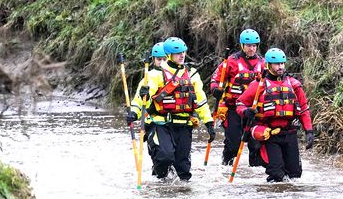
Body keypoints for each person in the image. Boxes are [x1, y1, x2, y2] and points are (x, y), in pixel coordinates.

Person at [126, 37, 215, 181]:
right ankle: (160, 180)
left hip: (184, 125)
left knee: (183, 170)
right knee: (165, 157)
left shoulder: (192, 74)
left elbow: (200, 101)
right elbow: (140, 99)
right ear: (168, 55)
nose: (182, 55)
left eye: (183, 52)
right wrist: (134, 113)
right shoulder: (155, 74)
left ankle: (181, 197)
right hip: (162, 124)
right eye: (177, 53)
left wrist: (209, 122)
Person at [235, 48, 315, 182]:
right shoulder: (258, 85)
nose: (280, 67)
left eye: (282, 63)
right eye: (277, 64)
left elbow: (303, 110)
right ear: (268, 65)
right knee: (277, 174)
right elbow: (239, 104)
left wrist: (309, 131)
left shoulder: (294, 85)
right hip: (270, 135)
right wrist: (246, 111)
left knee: (295, 176)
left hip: (289, 133)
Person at [209, 29, 266, 166]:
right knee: (233, 144)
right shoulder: (231, 61)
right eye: (248, 45)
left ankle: (255, 171)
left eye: (254, 45)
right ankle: (226, 164)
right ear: (242, 45)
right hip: (233, 108)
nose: (252, 49)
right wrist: (215, 89)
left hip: (253, 110)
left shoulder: (263, 63)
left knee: (256, 144)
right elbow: (215, 79)